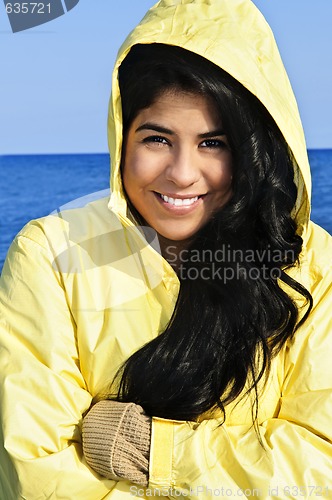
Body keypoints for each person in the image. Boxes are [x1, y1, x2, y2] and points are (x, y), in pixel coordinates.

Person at [0, 0, 331, 498]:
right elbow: (36, 473)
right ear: (123, 137)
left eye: (213, 143)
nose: (181, 173)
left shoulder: (310, 263)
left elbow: (320, 464)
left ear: (253, 149)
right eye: (157, 139)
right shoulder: (52, 254)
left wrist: (153, 451)